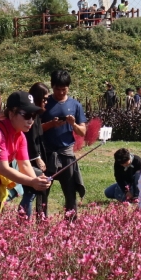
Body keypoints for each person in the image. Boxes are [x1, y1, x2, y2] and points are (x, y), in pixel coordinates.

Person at [41, 70, 87, 219]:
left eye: (64, 89)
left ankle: (71, 222)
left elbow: (82, 132)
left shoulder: (75, 105)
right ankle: (41, 222)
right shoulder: (44, 103)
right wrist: (51, 124)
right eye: (57, 89)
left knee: (70, 191)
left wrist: (73, 124)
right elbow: (35, 128)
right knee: (43, 191)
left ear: (68, 87)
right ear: (52, 87)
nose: (60, 92)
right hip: (47, 154)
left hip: (66, 154)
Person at [19, 83, 50, 219]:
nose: (46, 102)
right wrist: (37, 158)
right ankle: (23, 221)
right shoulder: (31, 116)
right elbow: (29, 140)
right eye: (44, 99)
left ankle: (31, 219)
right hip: (30, 160)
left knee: (31, 193)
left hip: (33, 158)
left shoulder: (36, 116)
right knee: (30, 193)